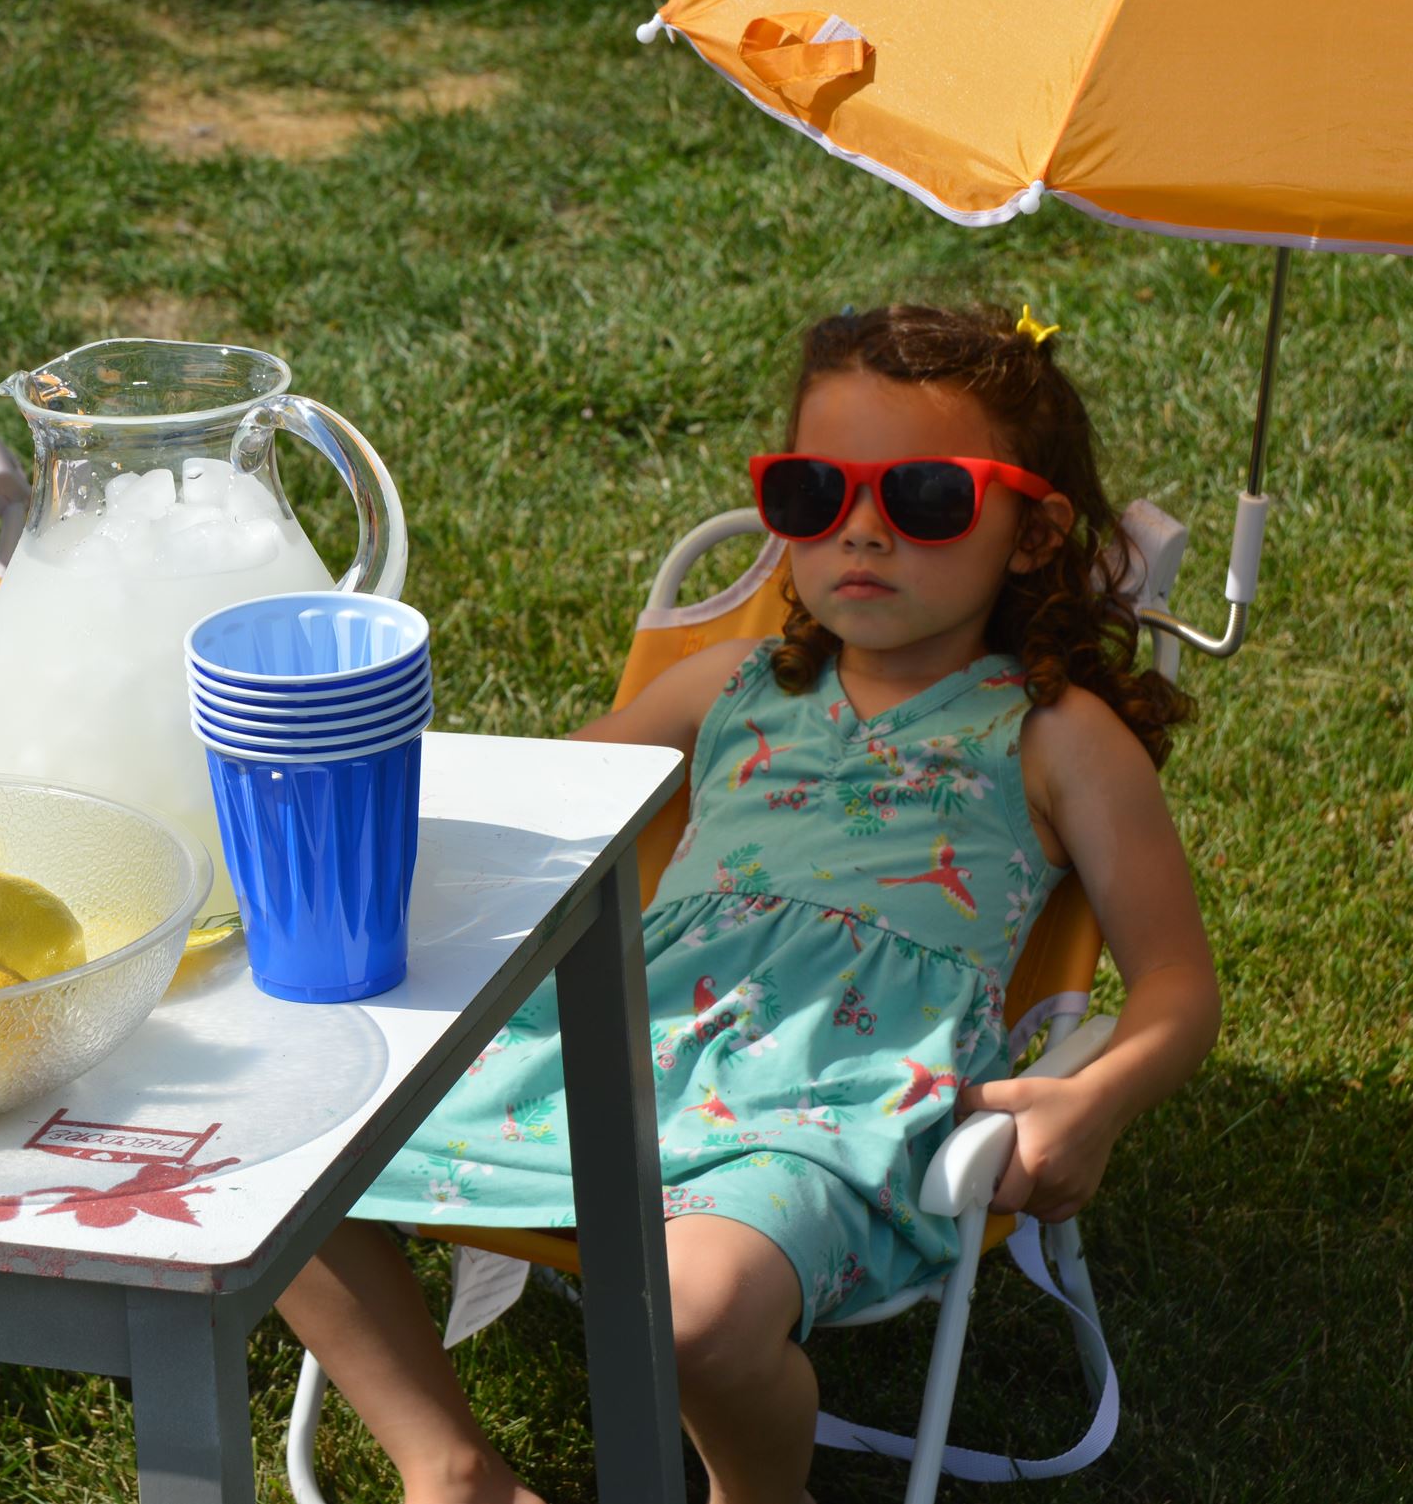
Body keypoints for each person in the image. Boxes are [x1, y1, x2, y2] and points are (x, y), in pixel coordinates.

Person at [277, 305, 1221, 1504]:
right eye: (813, 492)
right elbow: (531, 814)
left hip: (831, 1099)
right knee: (290, 1152)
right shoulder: (725, 686)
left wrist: (1093, 1099)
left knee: (692, 1318)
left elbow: (1179, 985)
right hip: (624, 1040)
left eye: (925, 496)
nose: (863, 530)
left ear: (1029, 531)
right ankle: (448, 1464)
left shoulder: (1055, 738)